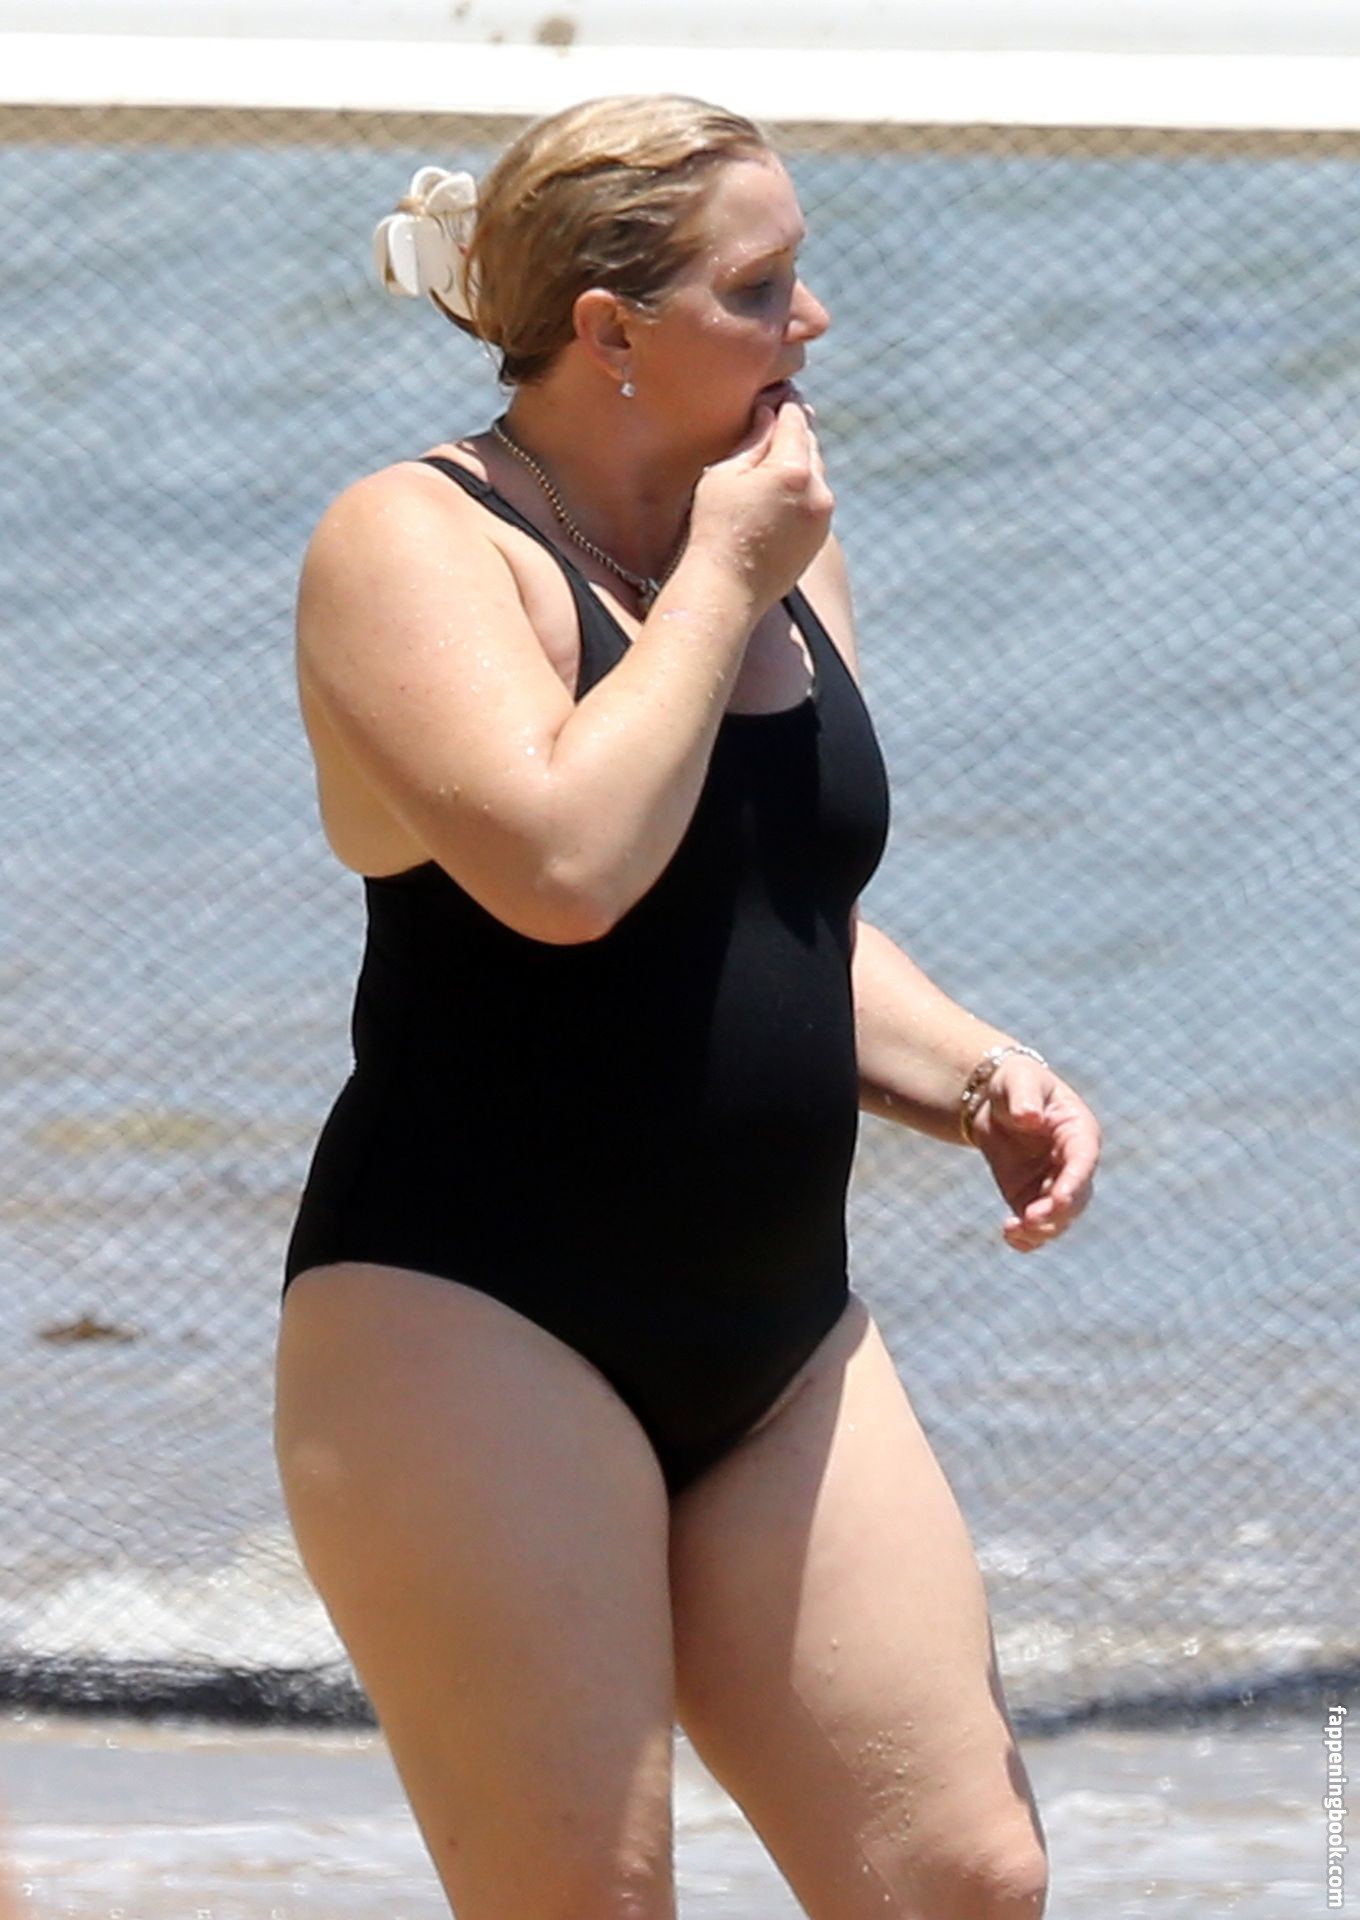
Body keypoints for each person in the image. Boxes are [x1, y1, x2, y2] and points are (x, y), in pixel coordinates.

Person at [274, 93, 1101, 1920]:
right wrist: (726, 573)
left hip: (777, 1329)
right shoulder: (417, 541)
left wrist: (982, 1074)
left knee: (964, 1876)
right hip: (471, 1315)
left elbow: (780, 919)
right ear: (610, 330)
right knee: (589, 1898)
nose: (814, 320)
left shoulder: (780, 548)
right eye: (763, 286)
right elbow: (567, 868)